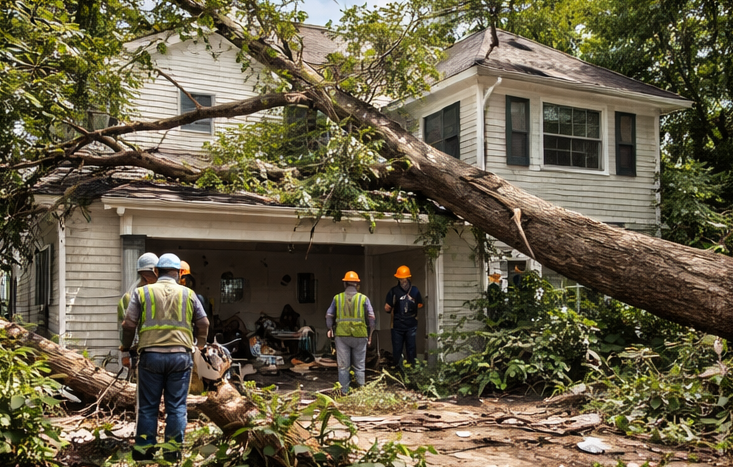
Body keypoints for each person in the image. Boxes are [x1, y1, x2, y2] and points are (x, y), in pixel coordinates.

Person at [121, 253, 210, 463]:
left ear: (156, 271)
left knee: (148, 407)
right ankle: (172, 454)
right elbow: (204, 323)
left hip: (151, 357)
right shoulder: (189, 294)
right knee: (177, 407)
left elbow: (128, 324)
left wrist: (126, 347)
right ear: (179, 274)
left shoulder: (142, 293)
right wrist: (200, 345)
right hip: (181, 357)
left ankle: (144, 453)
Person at [325, 271, 376, 395]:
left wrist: (330, 329)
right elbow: (371, 318)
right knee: (359, 367)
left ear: (344, 284)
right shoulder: (363, 298)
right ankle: (361, 393)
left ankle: (344, 392)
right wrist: (370, 334)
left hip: (342, 336)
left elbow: (329, 315)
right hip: (360, 335)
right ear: (357, 284)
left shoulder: (337, 298)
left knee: (343, 367)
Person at [118, 252, 158, 374]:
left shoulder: (160, 293)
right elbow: (125, 327)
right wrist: (125, 353)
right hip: (140, 352)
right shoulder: (131, 297)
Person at [384, 265, 423, 368]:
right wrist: (388, 307)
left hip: (411, 325)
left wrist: (415, 305)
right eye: (400, 279)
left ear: (408, 278)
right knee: (397, 348)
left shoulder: (415, 290)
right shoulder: (394, 291)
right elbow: (387, 307)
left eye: (404, 278)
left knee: (411, 348)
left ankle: (412, 369)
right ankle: (397, 369)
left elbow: (420, 304)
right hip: (397, 325)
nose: (402, 281)